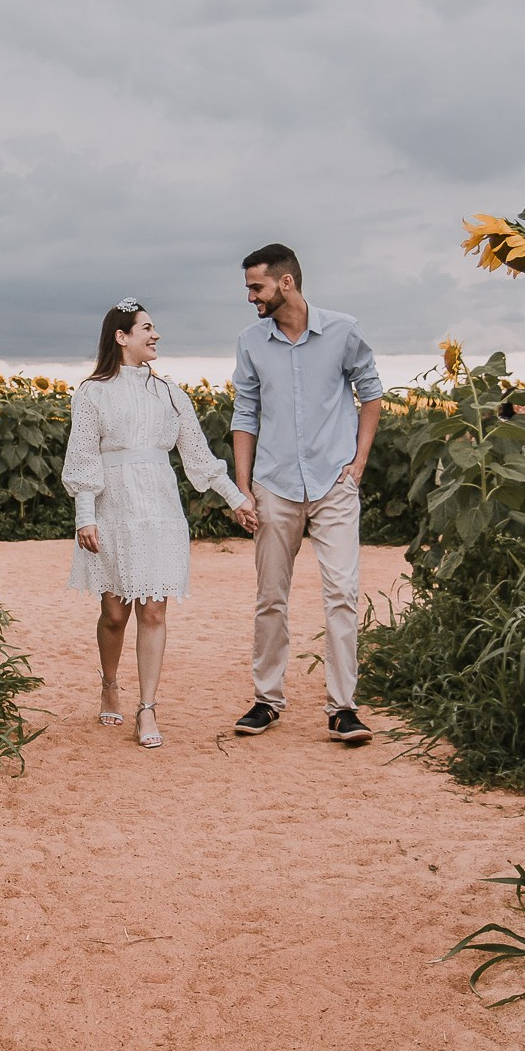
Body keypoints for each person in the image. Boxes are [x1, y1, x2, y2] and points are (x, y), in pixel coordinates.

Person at [63, 299, 259, 748]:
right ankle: (110, 683)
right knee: (114, 614)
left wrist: (236, 499)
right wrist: (85, 516)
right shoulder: (91, 392)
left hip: (159, 511)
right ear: (122, 336)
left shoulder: (172, 393)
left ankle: (147, 708)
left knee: (153, 611)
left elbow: (199, 459)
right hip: (111, 510)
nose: (156, 336)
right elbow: (82, 459)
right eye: (147, 328)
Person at [228, 244, 383, 744]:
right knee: (270, 596)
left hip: (334, 483)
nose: (250, 296)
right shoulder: (251, 342)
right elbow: (245, 414)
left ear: (286, 283)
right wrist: (244, 488)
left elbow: (371, 393)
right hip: (274, 485)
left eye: (257, 287)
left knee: (341, 594)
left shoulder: (343, 330)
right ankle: (266, 701)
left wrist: (357, 466)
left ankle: (343, 710)